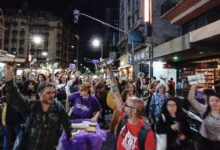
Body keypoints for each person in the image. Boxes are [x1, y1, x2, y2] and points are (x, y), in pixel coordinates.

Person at [4, 64, 73, 150]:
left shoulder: (57, 105)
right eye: (48, 93)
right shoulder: (32, 105)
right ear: (40, 94)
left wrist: (69, 134)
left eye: (53, 92)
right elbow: (15, 98)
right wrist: (10, 81)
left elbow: (65, 119)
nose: (52, 95)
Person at [106, 66, 156, 150]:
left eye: (126, 105)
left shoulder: (146, 133)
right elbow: (116, 94)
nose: (123, 105)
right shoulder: (126, 118)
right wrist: (109, 72)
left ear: (134, 111)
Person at [188, 84, 220, 150]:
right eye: (212, 100)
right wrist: (193, 87)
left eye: (217, 100)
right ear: (209, 102)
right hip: (204, 141)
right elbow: (191, 99)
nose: (214, 103)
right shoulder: (204, 109)